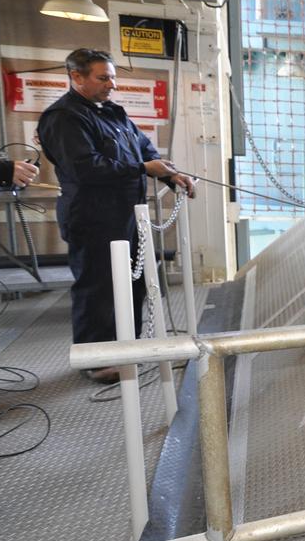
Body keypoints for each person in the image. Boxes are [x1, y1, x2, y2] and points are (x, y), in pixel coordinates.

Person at [37, 48, 196, 383]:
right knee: (98, 287)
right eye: (103, 77)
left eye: (112, 77)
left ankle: (129, 347)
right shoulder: (63, 117)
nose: (111, 84)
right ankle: (96, 360)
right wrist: (141, 168)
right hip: (92, 217)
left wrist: (171, 175)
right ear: (76, 76)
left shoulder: (113, 113)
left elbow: (145, 149)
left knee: (132, 283)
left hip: (126, 214)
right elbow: (85, 167)